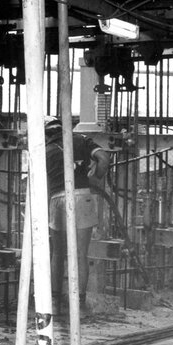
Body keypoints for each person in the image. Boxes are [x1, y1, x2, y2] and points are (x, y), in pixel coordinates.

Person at [44, 118, 112, 314]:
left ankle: (55, 304)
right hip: (82, 196)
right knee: (81, 254)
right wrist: (96, 177)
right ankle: (79, 306)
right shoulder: (81, 140)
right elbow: (104, 158)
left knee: (58, 254)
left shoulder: (44, 150)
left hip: (57, 198)